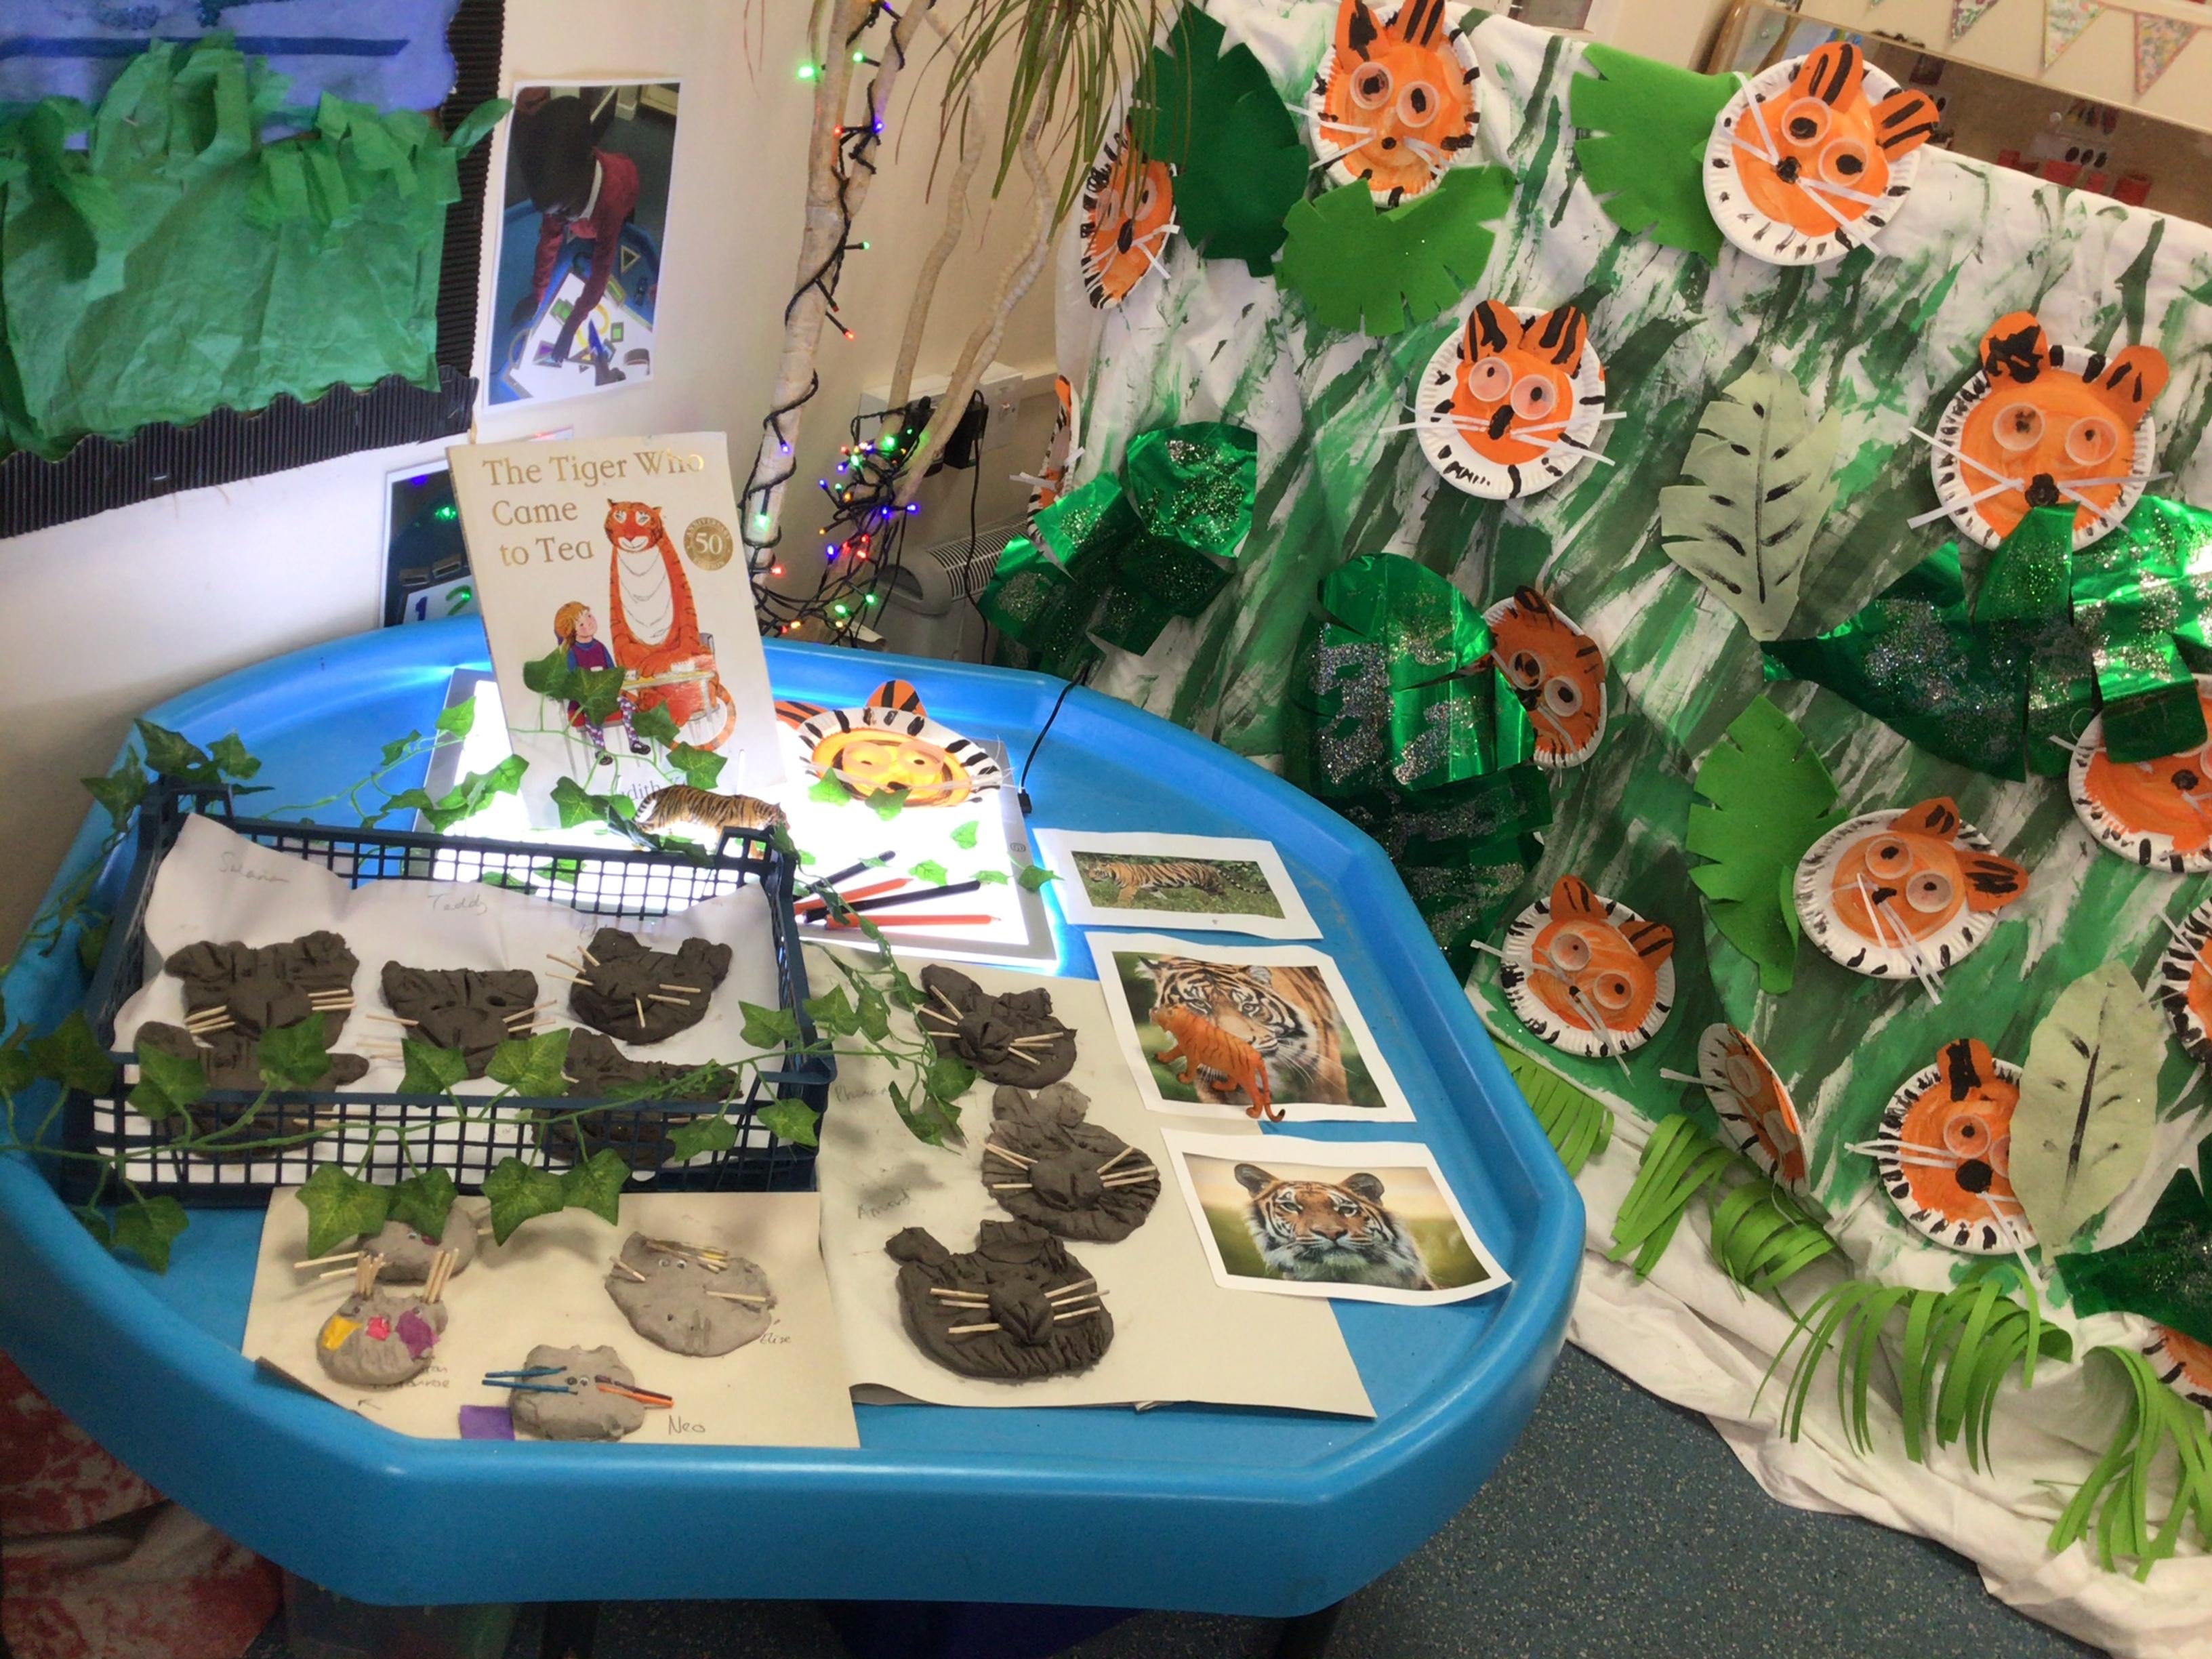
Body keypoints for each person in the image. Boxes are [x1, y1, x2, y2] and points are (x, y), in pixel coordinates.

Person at [508, 92, 639, 366]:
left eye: (563, 212)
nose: (557, 221)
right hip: (590, 209)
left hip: (624, 195)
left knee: (618, 235)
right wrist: (537, 295)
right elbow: (548, 242)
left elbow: (601, 273)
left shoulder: (611, 204)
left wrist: (571, 325)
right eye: (553, 214)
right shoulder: (560, 195)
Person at [552, 601, 646, 763]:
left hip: (606, 697)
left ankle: (634, 741)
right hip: (583, 701)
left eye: (589, 616)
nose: (588, 623)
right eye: (581, 624)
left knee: (628, 705)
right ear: (571, 632)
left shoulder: (600, 647)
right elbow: (573, 680)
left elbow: (612, 672)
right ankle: (601, 750)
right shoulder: (571, 652)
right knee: (592, 712)